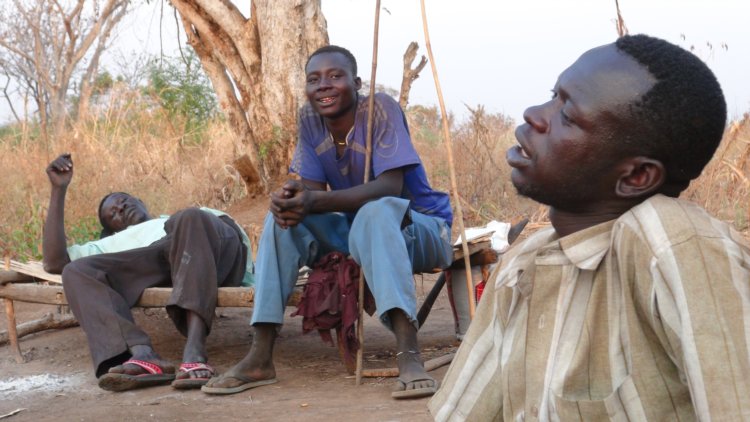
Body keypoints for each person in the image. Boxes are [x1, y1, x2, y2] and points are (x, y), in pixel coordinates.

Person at [428, 34, 750, 421]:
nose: (533, 115)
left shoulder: (675, 244)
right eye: (553, 96)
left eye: (567, 115)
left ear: (636, 176)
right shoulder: (523, 264)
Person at [202, 45, 454, 399]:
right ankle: (260, 355)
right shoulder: (310, 118)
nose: (324, 85)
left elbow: (390, 187)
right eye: (314, 79)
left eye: (335, 76)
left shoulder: (380, 109)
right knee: (281, 221)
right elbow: (314, 193)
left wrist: (314, 200)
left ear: (357, 83)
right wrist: (293, 197)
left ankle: (409, 355)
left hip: (420, 229)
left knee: (378, 211)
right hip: (358, 230)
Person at [43, 153, 254, 392]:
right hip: (158, 257)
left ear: (141, 201)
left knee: (189, 217)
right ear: (111, 232)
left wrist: (186, 224)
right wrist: (58, 190)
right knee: (76, 271)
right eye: (113, 214)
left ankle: (194, 351)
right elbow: (54, 262)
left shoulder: (178, 217)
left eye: (123, 200)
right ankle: (143, 354)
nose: (121, 207)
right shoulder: (114, 242)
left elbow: (226, 237)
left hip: (218, 247)